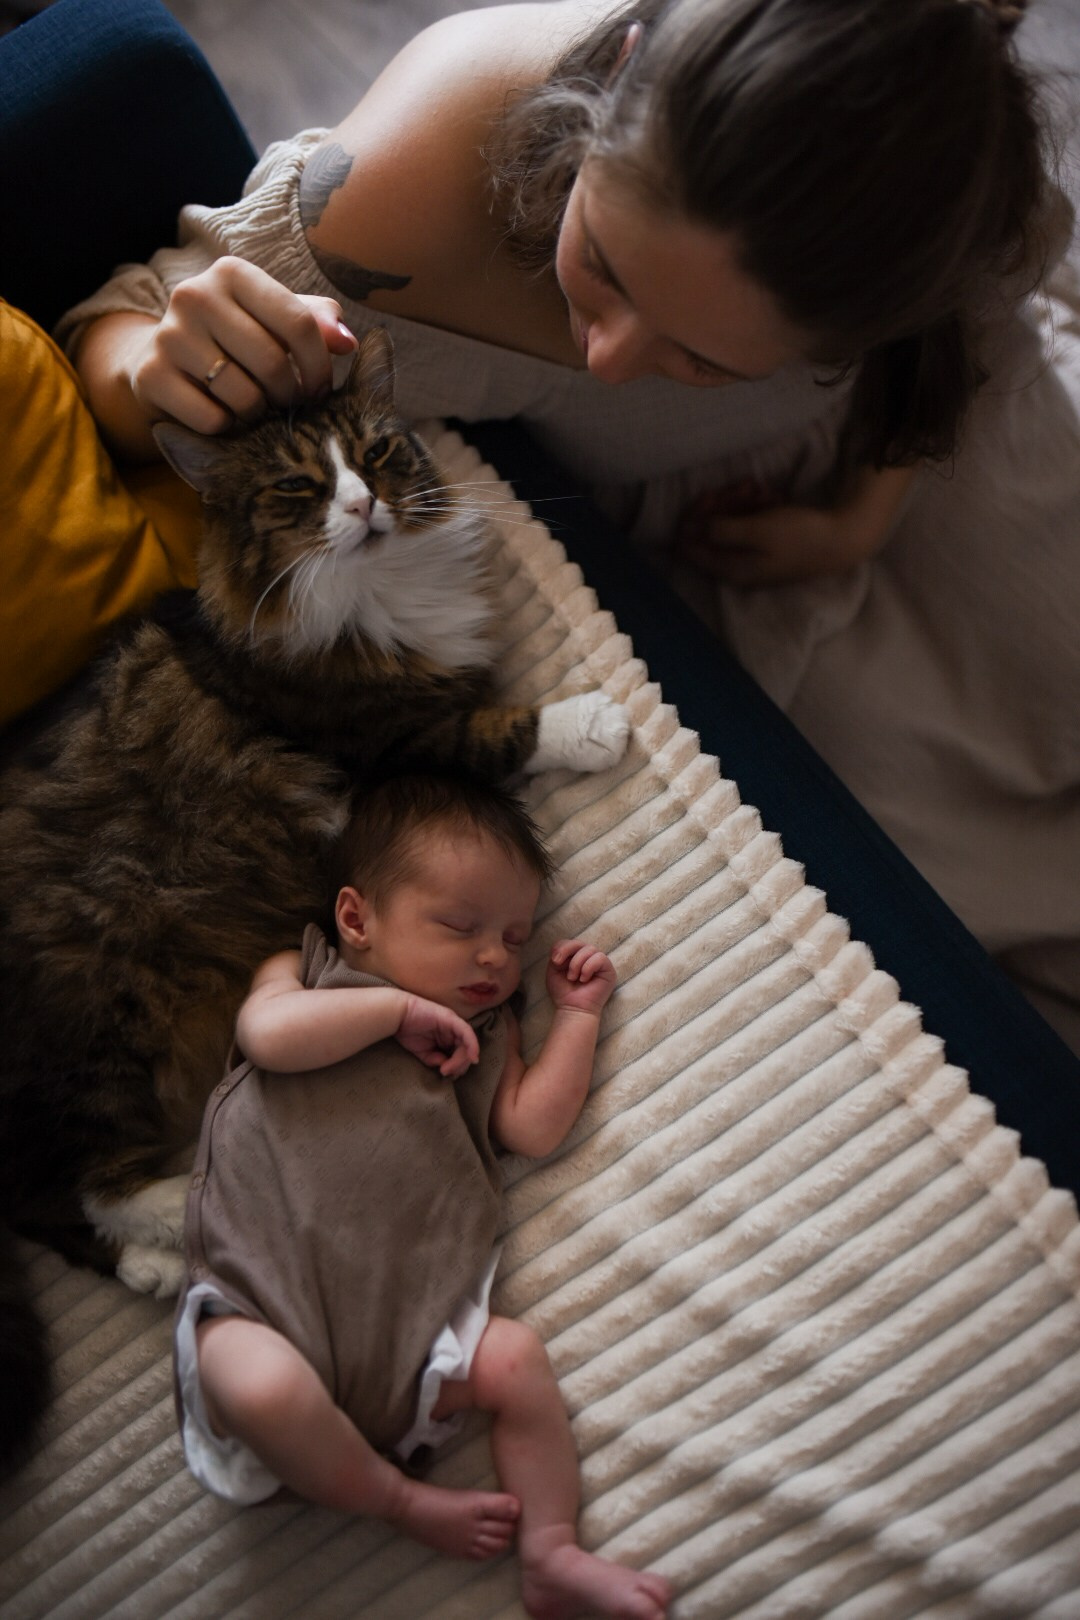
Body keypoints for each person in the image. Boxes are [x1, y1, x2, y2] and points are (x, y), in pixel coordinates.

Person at [56, 0, 1080, 1049]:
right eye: (603, 264)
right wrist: (150, 364)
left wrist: (861, 515)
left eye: (703, 361)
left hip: (936, 437)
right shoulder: (407, 194)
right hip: (714, 550)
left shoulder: (951, 198)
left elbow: (970, 314)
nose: (609, 359)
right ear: (617, 73)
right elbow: (116, 326)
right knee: (956, 907)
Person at [174, 772, 672, 1620]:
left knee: (515, 1361)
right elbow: (266, 1036)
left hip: (413, 1343)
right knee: (257, 1388)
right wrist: (391, 1014)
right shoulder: (305, 972)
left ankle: (551, 1551)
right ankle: (397, 1500)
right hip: (260, 1305)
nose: (495, 957)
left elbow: (531, 1128)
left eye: (513, 937)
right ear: (356, 919)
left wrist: (578, 1018)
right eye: (460, 926)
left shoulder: (486, 1034)